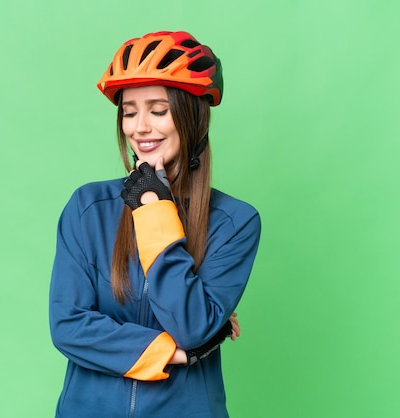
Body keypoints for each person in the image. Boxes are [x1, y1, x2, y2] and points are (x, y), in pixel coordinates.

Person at [49, 30, 261, 417]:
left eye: (158, 110)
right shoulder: (88, 207)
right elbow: (68, 325)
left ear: (192, 116)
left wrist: (153, 209)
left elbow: (190, 325)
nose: (139, 127)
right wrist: (176, 354)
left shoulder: (235, 223)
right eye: (130, 112)